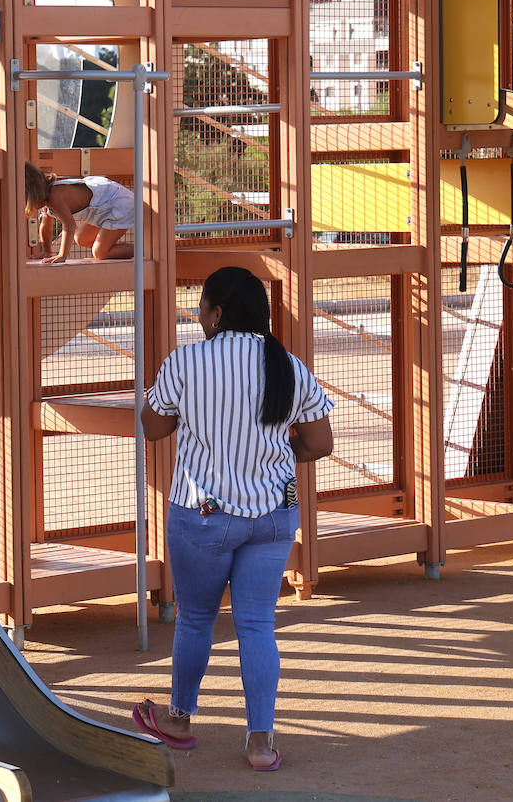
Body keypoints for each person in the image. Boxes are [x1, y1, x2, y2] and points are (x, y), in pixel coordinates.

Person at [132, 266, 334, 772]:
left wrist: (196, 419)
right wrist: (275, 454)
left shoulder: (188, 361)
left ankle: (178, 720)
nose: (197, 319)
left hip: (202, 514)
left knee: (197, 619)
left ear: (218, 313)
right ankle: (261, 743)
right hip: (273, 516)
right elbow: (320, 443)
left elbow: (153, 427)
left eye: (200, 309)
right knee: (257, 624)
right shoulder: (288, 365)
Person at [24, 162, 134, 262]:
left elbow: (69, 225)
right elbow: (46, 225)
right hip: (104, 205)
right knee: (82, 238)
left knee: (99, 253)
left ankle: (145, 249)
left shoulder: (54, 196)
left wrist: (62, 255)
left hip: (118, 203)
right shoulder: (47, 196)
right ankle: (113, 249)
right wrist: (47, 252)